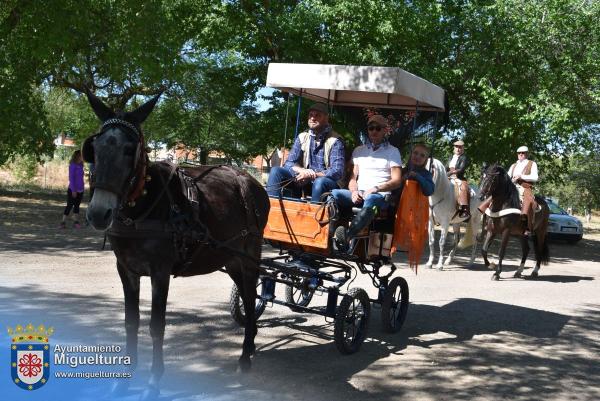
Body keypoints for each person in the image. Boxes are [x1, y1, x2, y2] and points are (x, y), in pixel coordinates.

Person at [332, 114, 402, 252]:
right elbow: (352, 177)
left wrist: (376, 188)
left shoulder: (393, 152)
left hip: (380, 196)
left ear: (385, 130)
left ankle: (347, 236)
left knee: (371, 198)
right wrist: (354, 191)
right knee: (333, 194)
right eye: (371, 128)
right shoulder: (359, 150)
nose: (374, 131)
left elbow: (397, 181)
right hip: (360, 192)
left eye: (378, 128)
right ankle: (329, 234)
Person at [266, 102, 345, 203]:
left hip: (326, 183)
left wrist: (313, 175)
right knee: (276, 171)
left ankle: (312, 217)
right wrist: (301, 171)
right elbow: (289, 163)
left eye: (317, 115)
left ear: (326, 118)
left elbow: (337, 171)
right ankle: (272, 209)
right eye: (311, 115)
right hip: (305, 179)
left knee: (319, 182)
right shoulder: (303, 137)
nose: (312, 118)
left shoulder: (335, 140)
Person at [508, 145, 539, 235]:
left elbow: (535, 177)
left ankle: (526, 226)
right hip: (512, 187)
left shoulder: (532, 163)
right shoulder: (513, 165)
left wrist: (521, 176)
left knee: (528, 201)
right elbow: (507, 176)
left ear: (527, 154)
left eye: (523, 153)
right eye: (519, 153)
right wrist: (512, 180)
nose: (521, 154)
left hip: (525, 187)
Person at [60, 150, 85, 229]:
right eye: (81, 155)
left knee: (77, 206)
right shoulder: (72, 165)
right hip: (73, 190)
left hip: (80, 189)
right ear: (77, 156)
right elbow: (71, 178)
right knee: (69, 205)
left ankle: (76, 222)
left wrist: (82, 187)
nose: (83, 157)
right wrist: (74, 190)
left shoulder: (81, 165)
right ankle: (63, 222)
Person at [446, 140, 470, 218]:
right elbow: (446, 167)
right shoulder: (451, 157)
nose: (458, 149)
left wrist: (452, 172)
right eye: (456, 147)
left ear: (463, 148)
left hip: (458, 177)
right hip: (448, 177)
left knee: (463, 187)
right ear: (454, 148)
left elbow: (461, 169)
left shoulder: (464, 157)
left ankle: (464, 209)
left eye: (460, 147)